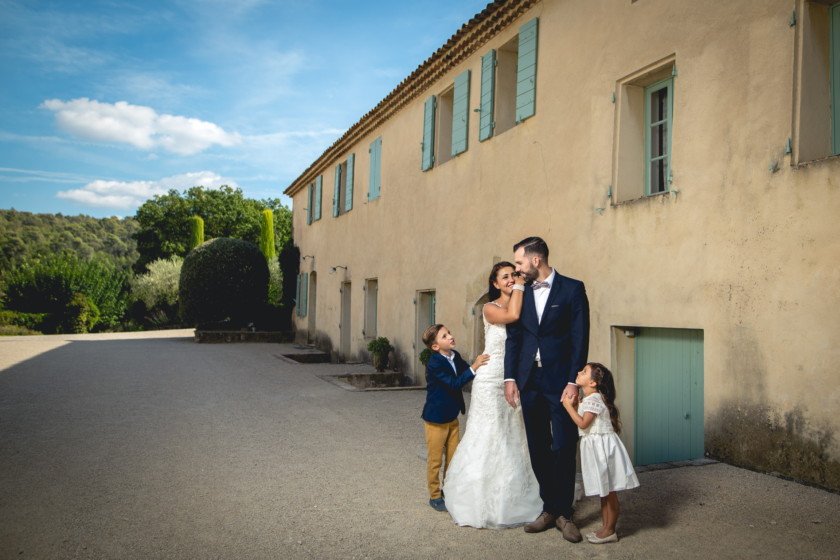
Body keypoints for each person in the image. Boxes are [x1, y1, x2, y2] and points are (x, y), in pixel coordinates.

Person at [443, 262, 542, 528]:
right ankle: (479, 498)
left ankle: (516, 493)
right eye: (505, 277)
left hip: (515, 377)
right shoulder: (490, 307)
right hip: (490, 379)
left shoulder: (525, 300)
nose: (511, 279)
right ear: (496, 284)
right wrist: (521, 284)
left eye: (513, 274)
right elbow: (512, 316)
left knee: (513, 433)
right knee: (488, 432)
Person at [504, 236, 590, 543]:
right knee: (538, 446)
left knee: (564, 445)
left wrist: (573, 382)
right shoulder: (520, 292)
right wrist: (510, 378)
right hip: (529, 381)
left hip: (560, 382)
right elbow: (514, 338)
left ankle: (564, 513)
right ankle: (549, 508)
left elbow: (580, 337)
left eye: (518, 262)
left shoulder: (572, 288)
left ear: (535, 260)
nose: (516, 268)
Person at [561, 362, 639, 544]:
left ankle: (610, 530)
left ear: (593, 383)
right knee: (604, 492)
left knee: (609, 493)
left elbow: (583, 423)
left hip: (603, 450)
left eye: (584, 371)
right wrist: (577, 403)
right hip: (596, 448)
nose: (579, 372)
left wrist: (568, 407)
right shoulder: (590, 398)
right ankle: (605, 527)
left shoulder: (595, 399)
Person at [421, 323, 489, 512]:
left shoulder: (455, 355)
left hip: (452, 416)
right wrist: (475, 366)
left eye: (449, 333)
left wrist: (480, 368)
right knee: (435, 460)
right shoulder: (434, 363)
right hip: (436, 418)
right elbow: (454, 383)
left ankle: (448, 489)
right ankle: (435, 495)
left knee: (453, 458)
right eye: (444, 336)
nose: (450, 337)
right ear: (435, 347)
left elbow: (468, 370)